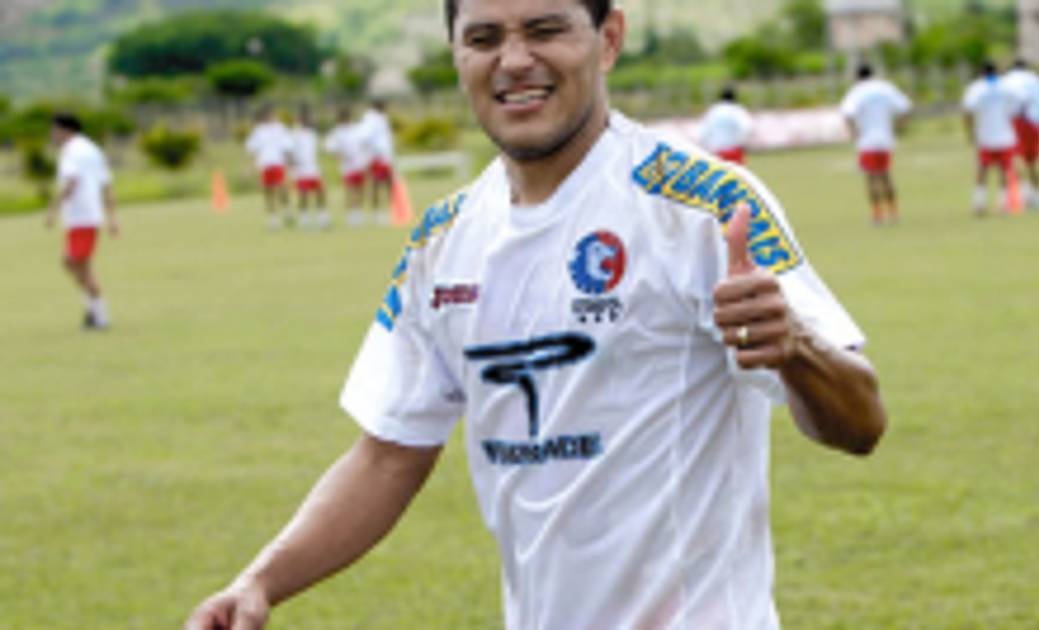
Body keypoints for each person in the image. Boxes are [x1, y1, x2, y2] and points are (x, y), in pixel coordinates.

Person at [185, 1, 887, 628]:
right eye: (484, 38)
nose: (514, 60)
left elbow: (862, 423)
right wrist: (260, 583)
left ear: (609, 39)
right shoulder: (442, 242)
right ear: (456, 56)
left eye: (545, 30)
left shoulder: (704, 204)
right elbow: (388, 454)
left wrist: (795, 347)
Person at [45, 113, 117, 330]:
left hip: (80, 216)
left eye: (54, 130)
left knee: (75, 263)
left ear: (65, 130)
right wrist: (111, 217)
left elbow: (71, 182)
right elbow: (106, 184)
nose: (52, 135)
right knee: (74, 263)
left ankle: (98, 313)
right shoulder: (93, 149)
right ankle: (94, 309)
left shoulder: (71, 151)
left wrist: (53, 208)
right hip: (89, 215)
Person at [839, 63, 911, 226]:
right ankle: (893, 212)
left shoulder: (857, 91)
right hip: (886, 139)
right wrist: (899, 128)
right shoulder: (885, 87)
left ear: (857, 77)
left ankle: (877, 214)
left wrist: (853, 132)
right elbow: (905, 108)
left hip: (867, 141)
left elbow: (847, 114)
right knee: (886, 176)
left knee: (871, 178)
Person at [962, 60, 1021, 217]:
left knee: (982, 170)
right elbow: (1016, 105)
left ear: (982, 72)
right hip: (1005, 135)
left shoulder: (977, 88)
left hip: (986, 136)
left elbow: (967, 110)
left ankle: (979, 204)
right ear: (997, 70)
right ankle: (1003, 204)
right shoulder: (1006, 86)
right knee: (1004, 170)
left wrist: (969, 132)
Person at [1002, 59, 1039, 209]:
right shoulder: (1035, 79)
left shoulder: (1007, 80)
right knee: (1032, 163)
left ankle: (1023, 194)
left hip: (1017, 123)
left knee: (1014, 160)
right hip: (1035, 124)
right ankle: (1038, 198)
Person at [245, 107, 294, 230]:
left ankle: (287, 210)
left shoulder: (280, 128)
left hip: (277, 162)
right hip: (265, 164)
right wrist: (251, 165)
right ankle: (273, 219)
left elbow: (287, 145)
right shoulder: (259, 131)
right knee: (268, 192)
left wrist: (289, 161)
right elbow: (253, 148)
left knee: (282, 188)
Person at [323, 106, 371, 227]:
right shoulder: (337, 132)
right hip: (347, 167)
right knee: (350, 190)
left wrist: (365, 161)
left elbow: (364, 144)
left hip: (359, 164)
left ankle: (358, 213)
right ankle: (351, 215)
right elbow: (330, 148)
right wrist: (340, 156)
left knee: (360, 190)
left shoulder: (356, 129)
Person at [288, 106, 330, 230]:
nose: (312, 119)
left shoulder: (312, 133)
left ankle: (323, 219)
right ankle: (304, 221)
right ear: (302, 119)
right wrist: (293, 167)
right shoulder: (295, 134)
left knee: (321, 192)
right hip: (302, 170)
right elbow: (289, 152)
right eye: (309, 118)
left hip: (313, 168)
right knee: (303, 195)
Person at [359, 99, 396, 226]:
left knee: (388, 185)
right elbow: (365, 137)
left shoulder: (382, 118)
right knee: (377, 185)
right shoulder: (370, 119)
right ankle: (378, 214)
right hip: (378, 158)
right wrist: (375, 153)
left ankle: (389, 211)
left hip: (385, 157)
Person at [698, 85, 754, 164]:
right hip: (735, 151)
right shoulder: (738, 110)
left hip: (717, 152)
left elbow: (703, 132)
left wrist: (705, 146)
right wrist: (742, 143)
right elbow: (747, 128)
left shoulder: (713, 111)